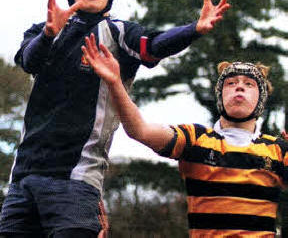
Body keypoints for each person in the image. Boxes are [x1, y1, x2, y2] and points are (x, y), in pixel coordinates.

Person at [0, 0, 231, 238]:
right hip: (22, 178)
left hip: (76, 178)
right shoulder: (45, 31)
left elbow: (154, 45)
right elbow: (28, 60)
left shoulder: (120, 32)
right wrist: (49, 32)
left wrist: (193, 29)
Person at [81, 36, 288, 237]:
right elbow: (140, 131)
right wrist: (116, 83)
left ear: (261, 99)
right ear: (220, 96)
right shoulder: (195, 138)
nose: (239, 86)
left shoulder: (278, 149)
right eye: (231, 83)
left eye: (249, 84)